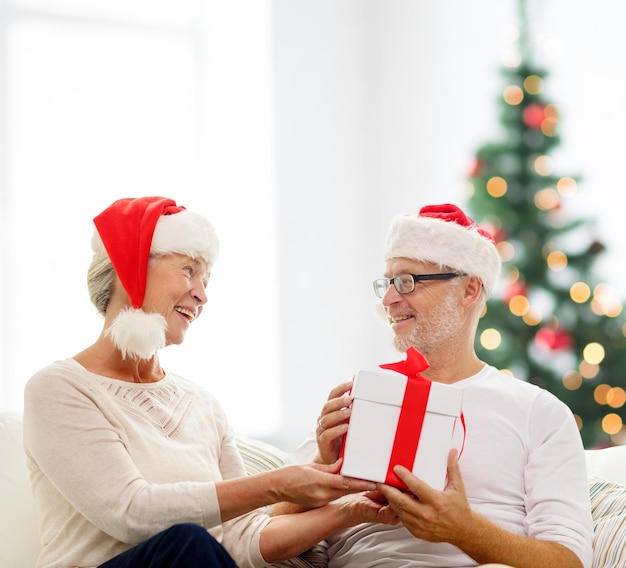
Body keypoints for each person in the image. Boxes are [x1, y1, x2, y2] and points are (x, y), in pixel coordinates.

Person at [22, 196, 397, 568]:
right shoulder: (59, 388)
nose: (202, 295)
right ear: (130, 267)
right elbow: (131, 513)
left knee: (196, 546)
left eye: (206, 278)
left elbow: (241, 538)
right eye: (189, 270)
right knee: (188, 542)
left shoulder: (202, 404)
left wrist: (354, 510)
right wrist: (277, 484)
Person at [281, 203, 594, 568]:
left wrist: (463, 530)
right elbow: (267, 528)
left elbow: (570, 562)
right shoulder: (360, 397)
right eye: (387, 283)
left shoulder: (538, 412)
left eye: (407, 282)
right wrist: (323, 461)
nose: (388, 300)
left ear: (469, 290)